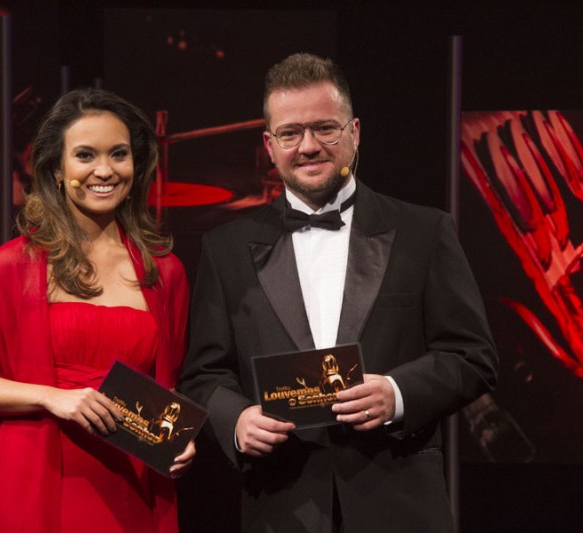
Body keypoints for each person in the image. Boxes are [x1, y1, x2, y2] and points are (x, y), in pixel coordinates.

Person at [178, 53, 499, 533]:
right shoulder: (225, 249)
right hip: (280, 506)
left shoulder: (424, 231)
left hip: (399, 502)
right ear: (270, 144)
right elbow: (204, 374)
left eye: (325, 128)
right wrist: (237, 420)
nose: (308, 146)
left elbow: (472, 357)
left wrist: (397, 393)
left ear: (354, 132)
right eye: (290, 133)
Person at [0, 88, 193, 533]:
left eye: (119, 154)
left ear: (135, 168)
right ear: (57, 170)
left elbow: (169, 387)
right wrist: (50, 396)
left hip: (127, 489)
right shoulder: (14, 265)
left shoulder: (165, 272)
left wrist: (178, 439)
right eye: (85, 155)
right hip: (29, 483)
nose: (104, 170)